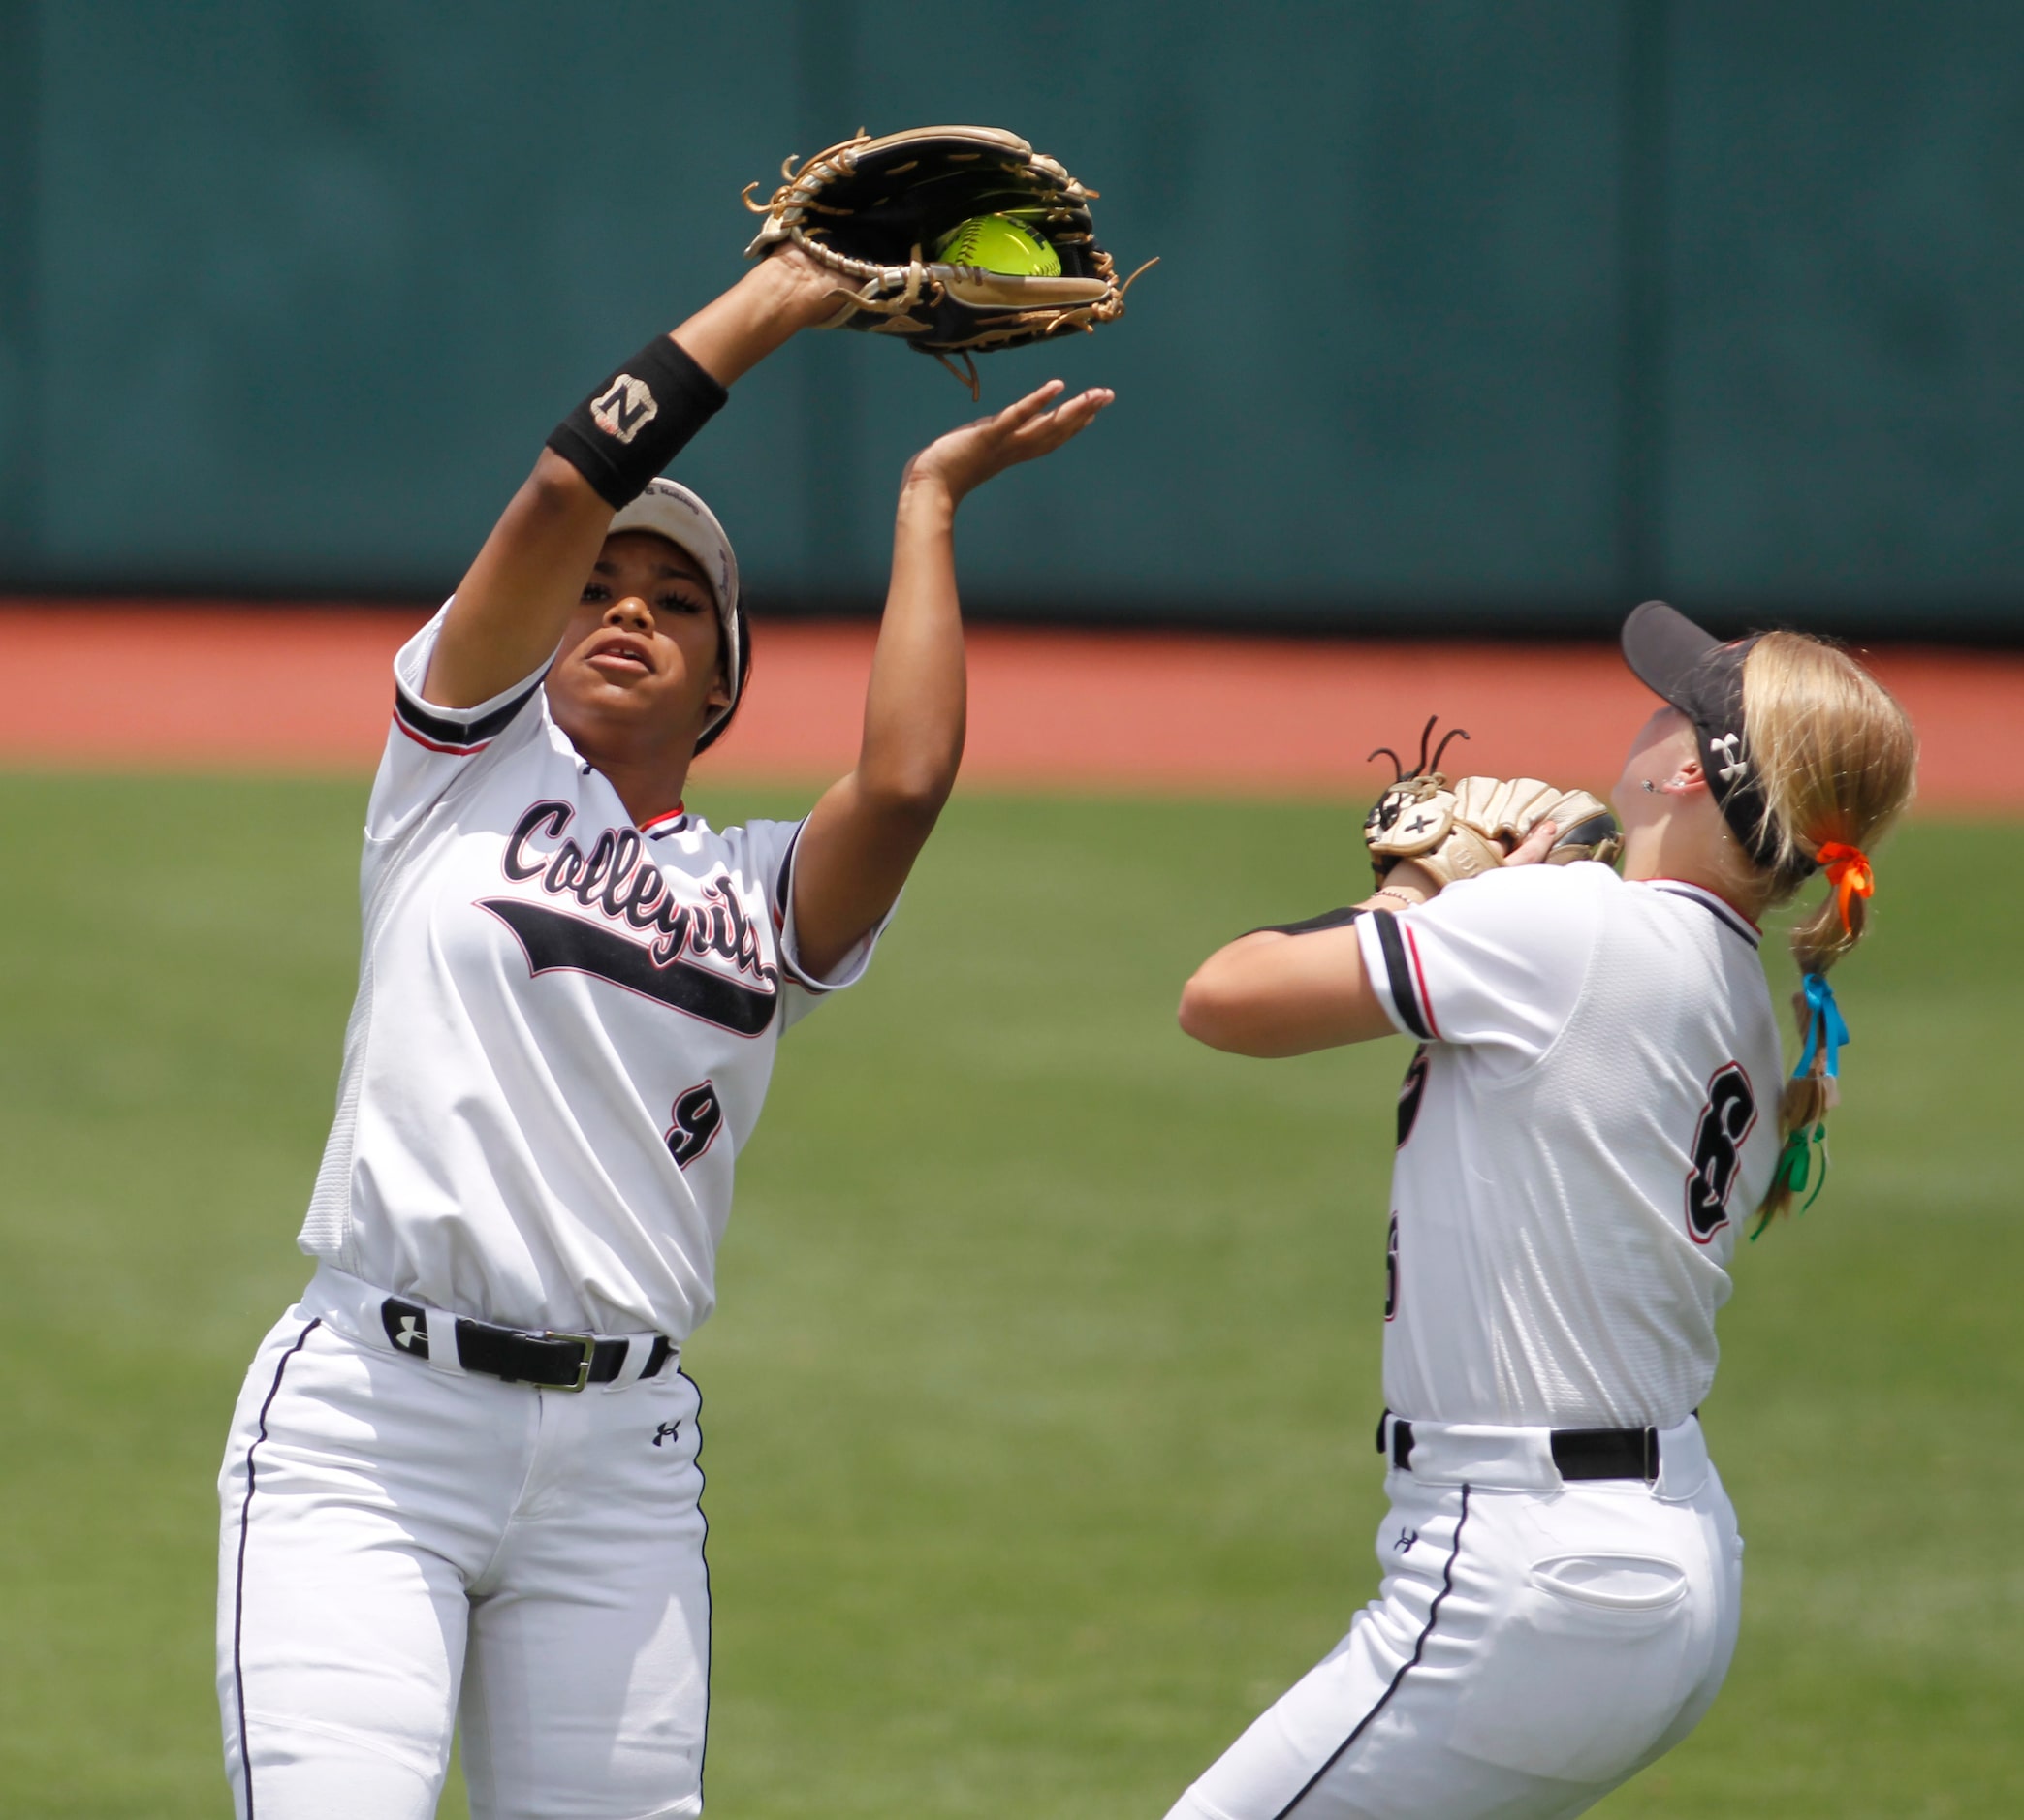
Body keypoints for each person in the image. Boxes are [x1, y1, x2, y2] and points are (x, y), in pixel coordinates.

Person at [214, 245, 1113, 1819]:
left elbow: (900, 782)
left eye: (676, 602)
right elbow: (559, 494)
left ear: (718, 686)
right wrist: (769, 305)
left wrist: (926, 502)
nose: (626, 606)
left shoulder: (757, 889)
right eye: (601, 591)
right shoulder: (456, 775)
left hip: (618, 1464)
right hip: (372, 1425)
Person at [1166, 602, 1916, 1819]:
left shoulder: (1573, 928)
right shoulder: (1738, 989)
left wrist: (1423, 884)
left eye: (1670, 703)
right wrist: (1499, 901)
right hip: (1663, 1562)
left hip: (1528, 1570)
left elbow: (1223, 997)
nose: (1645, 709)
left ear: (1691, 768)